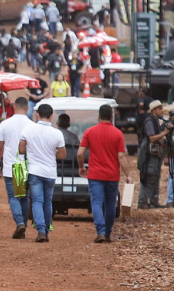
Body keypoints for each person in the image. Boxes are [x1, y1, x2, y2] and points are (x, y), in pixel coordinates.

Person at [79, 105, 133, 243]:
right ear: (112, 117)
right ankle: (108, 232)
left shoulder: (90, 131)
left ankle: (100, 231)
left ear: (99, 117)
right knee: (110, 204)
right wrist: (128, 174)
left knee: (96, 202)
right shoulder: (118, 134)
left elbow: (80, 153)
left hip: (95, 174)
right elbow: (121, 156)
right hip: (112, 175)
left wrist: (81, 167)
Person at [18, 104, 66, 243]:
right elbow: (62, 155)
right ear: (51, 116)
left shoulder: (28, 129)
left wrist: (24, 155)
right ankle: (46, 229)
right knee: (48, 202)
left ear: (37, 115)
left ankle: (41, 230)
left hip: (34, 171)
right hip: (50, 172)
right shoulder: (57, 133)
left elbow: (21, 147)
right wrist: (52, 153)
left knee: (37, 201)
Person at [0, 97, 34, 238]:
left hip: (10, 165)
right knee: (24, 197)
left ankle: (20, 222)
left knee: (13, 196)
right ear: (27, 108)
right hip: (26, 165)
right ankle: (23, 226)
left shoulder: (5, 124)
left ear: (14, 106)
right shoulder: (32, 125)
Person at [137, 100, 168, 209]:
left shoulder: (157, 121)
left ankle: (154, 200)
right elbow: (152, 138)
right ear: (154, 110)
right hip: (149, 154)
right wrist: (165, 133)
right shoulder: (150, 121)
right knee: (149, 175)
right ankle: (142, 201)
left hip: (155, 153)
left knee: (156, 175)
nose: (162, 111)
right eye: (159, 109)